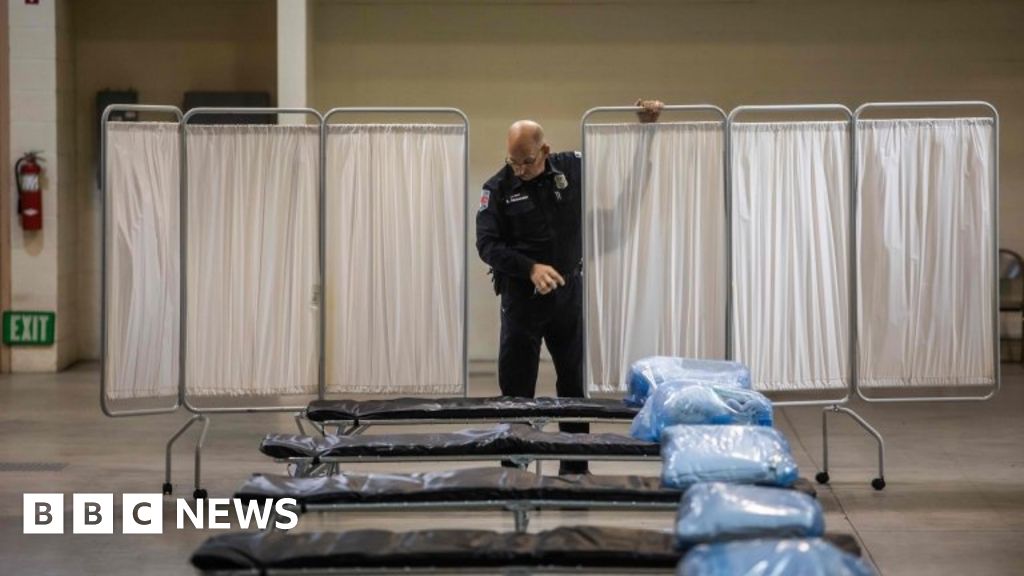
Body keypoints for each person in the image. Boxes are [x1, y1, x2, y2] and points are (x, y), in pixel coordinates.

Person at [476, 99, 664, 475]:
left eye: (527, 161)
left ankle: (575, 471)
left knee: (574, 387)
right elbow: (487, 246)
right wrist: (530, 268)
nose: (520, 169)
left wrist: (646, 131)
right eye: (513, 161)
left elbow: (614, 164)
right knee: (516, 392)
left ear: (544, 150)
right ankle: (513, 474)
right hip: (522, 301)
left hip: (567, 295)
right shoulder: (497, 188)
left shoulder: (572, 168)